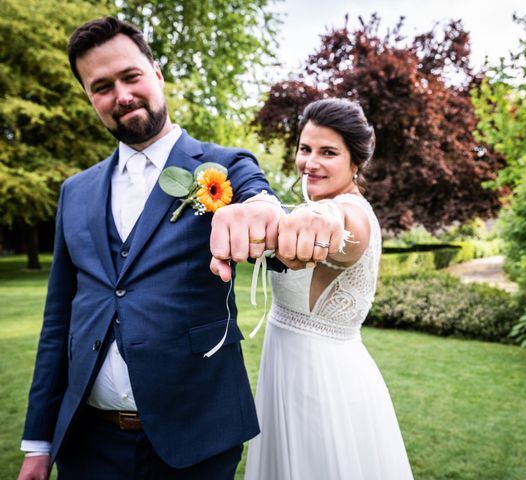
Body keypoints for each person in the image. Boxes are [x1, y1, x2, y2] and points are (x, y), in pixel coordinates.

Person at [17, 16, 315, 480]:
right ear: (89, 98)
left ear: (156, 74)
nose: (121, 95)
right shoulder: (74, 192)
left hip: (196, 439)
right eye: (101, 86)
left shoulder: (225, 164)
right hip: (87, 445)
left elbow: (261, 200)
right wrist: (38, 443)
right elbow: (58, 321)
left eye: (131, 76)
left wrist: (261, 210)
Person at [243, 98, 414, 479]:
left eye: (328, 152)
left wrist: (324, 213)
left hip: (323, 382)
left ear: (356, 162)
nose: (311, 162)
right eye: (305, 149)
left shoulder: (350, 213)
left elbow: (343, 225)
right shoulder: (308, 204)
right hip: (284, 366)